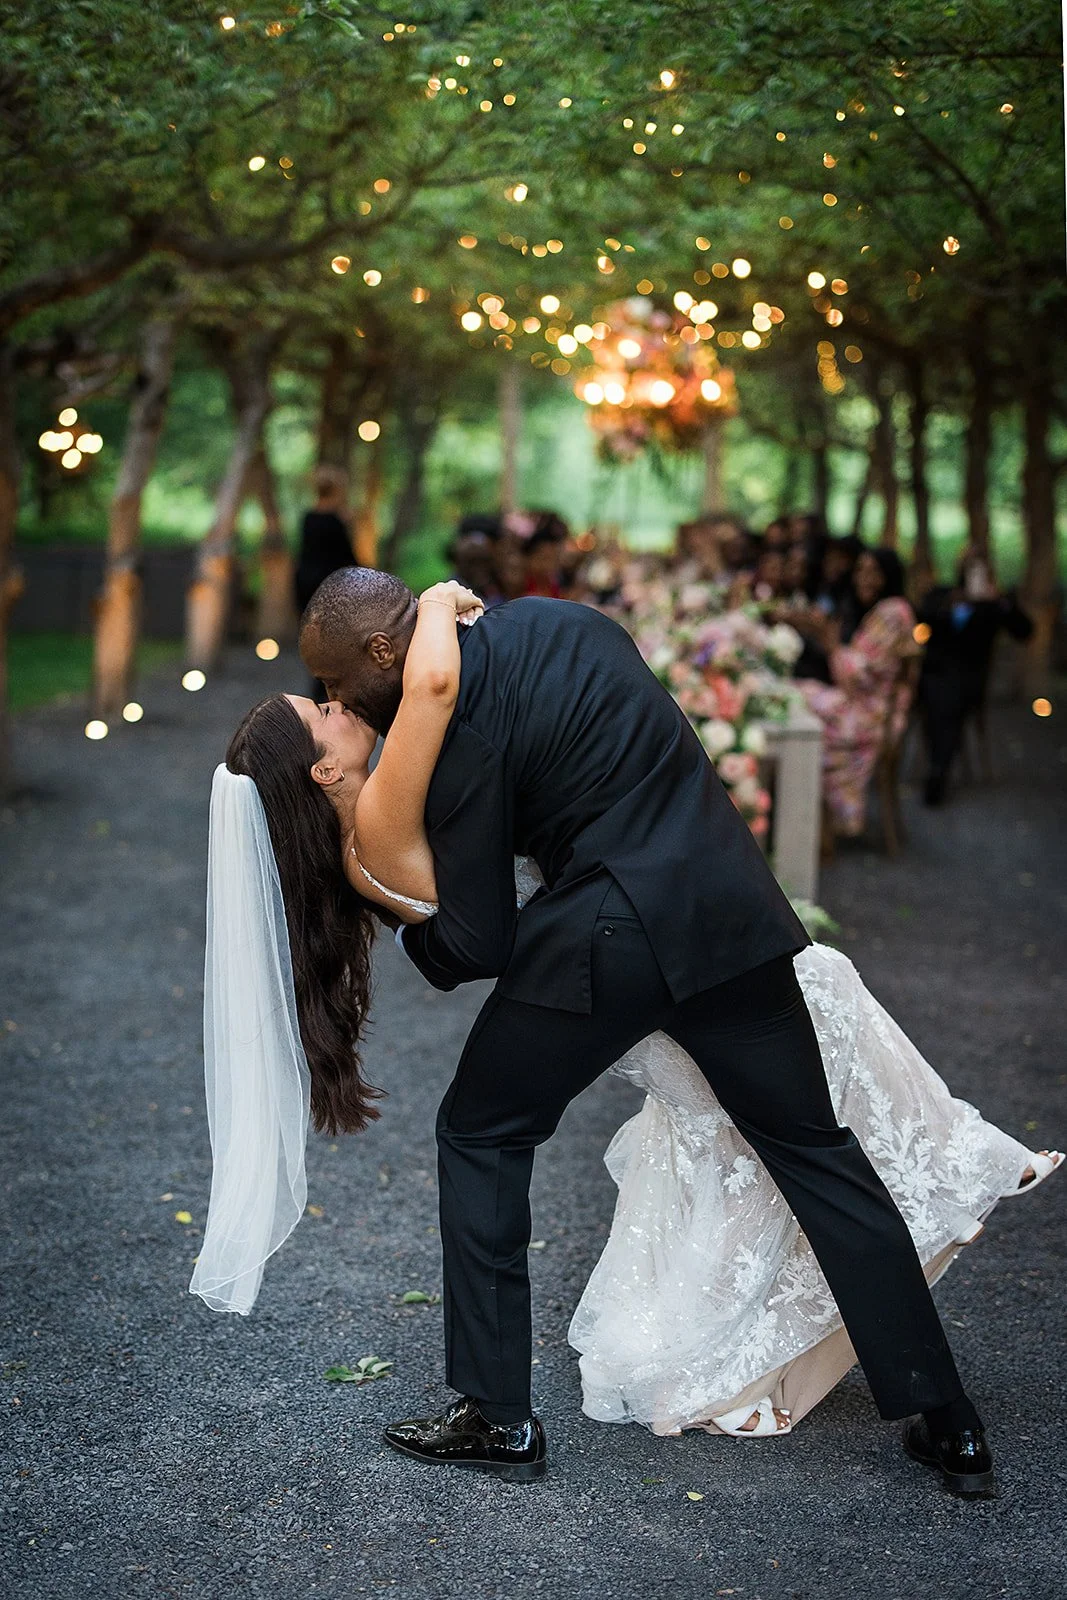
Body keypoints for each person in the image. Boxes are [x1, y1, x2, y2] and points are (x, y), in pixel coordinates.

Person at [196, 573, 1062, 1498]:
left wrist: (407, 921)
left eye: (333, 683)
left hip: (607, 943)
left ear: (381, 652)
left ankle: (496, 1415)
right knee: (816, 1152)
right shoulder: (565, 622)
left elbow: (477, 943)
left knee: (480, 1132)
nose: (336, 699)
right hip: (734, 916)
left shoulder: (448, 734)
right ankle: (950, 1423)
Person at [798, 547, 917, 839]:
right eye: (861, 570)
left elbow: (855, 676)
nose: (864, 578)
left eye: (873, 571)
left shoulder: (892, 612)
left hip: (875, 715)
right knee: (798, 696)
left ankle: (813, 819)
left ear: (889, 575)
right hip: (864, 703)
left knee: (802, 724)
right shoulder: (878, 610)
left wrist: (829, 642)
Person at [916, 551, 1034, 806]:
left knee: (948, 701)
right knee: (939, 697)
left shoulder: (995, 605)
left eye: (981, 573)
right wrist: (949, 603)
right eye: (971, 571)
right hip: (934, 676)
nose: (976, 578)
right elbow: (921, 622)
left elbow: (1025, 632)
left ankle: (938, 770)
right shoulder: (944, 596)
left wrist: (1002, 603)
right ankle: (938, 767)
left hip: (968, 682)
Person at [293, 466, 355, 616]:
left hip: (306, 580)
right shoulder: (336, 521)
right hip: (331, 582)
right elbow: (345, 555)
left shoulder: (308, 518)